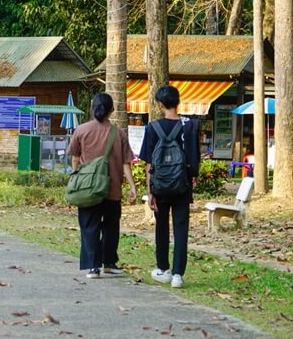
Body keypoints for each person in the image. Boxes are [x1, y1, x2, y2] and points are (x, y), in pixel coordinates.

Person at [67, 93, 137, 279]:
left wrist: (77, 177)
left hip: (87, 189)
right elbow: (125, 163)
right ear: (112, 110)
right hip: (111, 190)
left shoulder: (81, 130)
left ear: (92, 108)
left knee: (89, 226)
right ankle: (109, 263)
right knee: (111, 227)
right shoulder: (118, 133)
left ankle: (93, 267)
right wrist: (132, 187)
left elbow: (74, 158)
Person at [139, 85, 200, 289]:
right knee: (181, 229)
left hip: (160, 185)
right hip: (182, 185)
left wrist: (150, 191)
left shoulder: (152, 128)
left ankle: (163, 269)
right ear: (178, 102)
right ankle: (177, 275)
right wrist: (193, 178)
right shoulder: (189, 126)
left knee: (161, 227)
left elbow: (149, 163)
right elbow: (193, 157)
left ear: (160, 104)